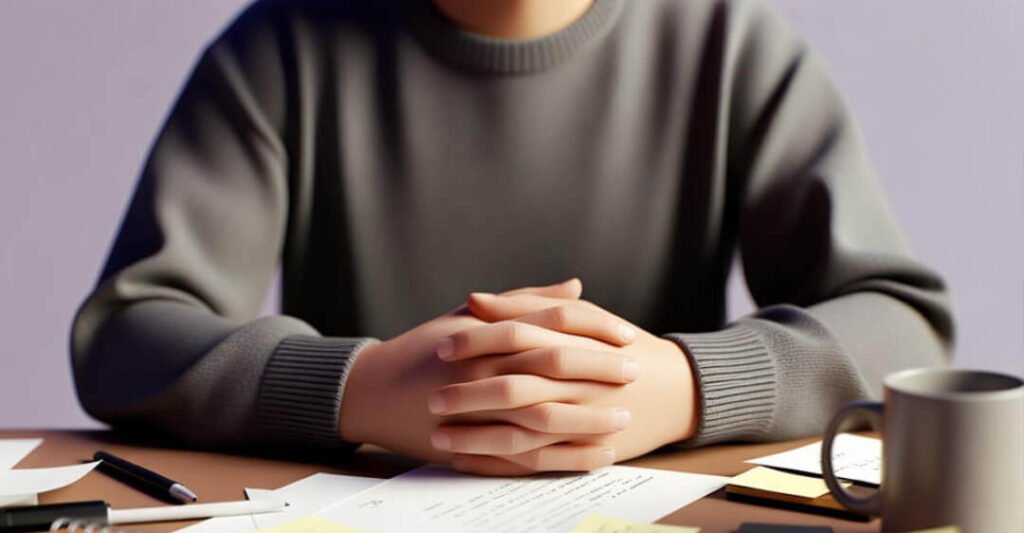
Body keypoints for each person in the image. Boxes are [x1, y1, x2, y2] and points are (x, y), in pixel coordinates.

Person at [71, 0, 952, 476]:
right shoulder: (284, 45)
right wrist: (358, 388)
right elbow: (126, 333)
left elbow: (904, 324)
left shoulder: (730, 41)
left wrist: (684, 385)